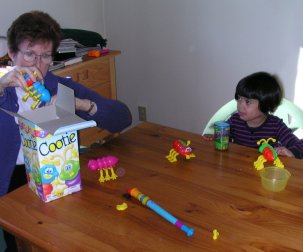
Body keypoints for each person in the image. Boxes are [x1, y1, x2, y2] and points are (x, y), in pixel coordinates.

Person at [0, 10, 132, 251]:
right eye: (29, 54)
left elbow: (122, 117)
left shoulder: (58, 86)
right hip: (12, 180)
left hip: (59, 174)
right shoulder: (3, 88)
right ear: (12, 53)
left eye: (45, 56)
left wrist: (81, 105)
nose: (37, 65)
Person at [203, 71, 303, 159]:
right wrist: (215, 137)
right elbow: (225, 139)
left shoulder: (276, 126)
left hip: (264, 171)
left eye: (248, 102)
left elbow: (299, 145)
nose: (240, 105)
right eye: (239, 98)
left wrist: (292, 152)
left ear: (266, 103)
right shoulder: (234, 121)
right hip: (238, 168)